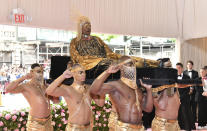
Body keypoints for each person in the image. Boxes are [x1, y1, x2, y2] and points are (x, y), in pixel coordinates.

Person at [69, 16, 159, 72]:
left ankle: (155, 63)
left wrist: (118, 57)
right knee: (115, 63)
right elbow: (76, 58)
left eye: (90, 26)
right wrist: (95, 59)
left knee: (127, 58)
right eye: (86, 26)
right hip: (91, 63)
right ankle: (140, 65)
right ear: (80, 28)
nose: (89, 28)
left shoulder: (97, 39)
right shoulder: (75, 42)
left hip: (105, 59)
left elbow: (109, 53)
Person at [90, 56, 153, 131]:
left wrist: (148, 90)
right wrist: (107, 72)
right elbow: (93, 91)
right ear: (121, 67)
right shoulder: (116, 85)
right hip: (123, 128)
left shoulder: (138, 89)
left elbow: (148, 109)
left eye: (133, 64)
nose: (132, 67)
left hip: (139, 127)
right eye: (129, 64)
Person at [46, 63, 104, 131]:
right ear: (73, 74)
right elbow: (49, 91)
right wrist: (63, 76)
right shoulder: (68, 89)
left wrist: (102, 88)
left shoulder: (89, 88)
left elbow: (100, 103)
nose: (84, 74)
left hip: (89, 127)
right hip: (74, 128)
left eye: (84, 72)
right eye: (80, 72)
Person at [6, 63, 53, 131]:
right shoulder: (26, 86)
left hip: (48, 122)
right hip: (35, 124)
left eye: (42, 71)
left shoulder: (45, 86)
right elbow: (8, 89)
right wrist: (23, 78)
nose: (41, 74)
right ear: (31, 72)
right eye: (38, 71)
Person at [176, 63, 195, 131]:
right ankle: (179, 127)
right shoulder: (174, 77)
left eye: (179, 68)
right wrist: (176, 97)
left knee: (185, 113)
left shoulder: (187, 77)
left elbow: (187, 89)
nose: (177, 69)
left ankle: (187, 127)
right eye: (176, 68)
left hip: (185, 97)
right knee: (177, 113)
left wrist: (181, 98)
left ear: (182, 68)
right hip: (176, 98)